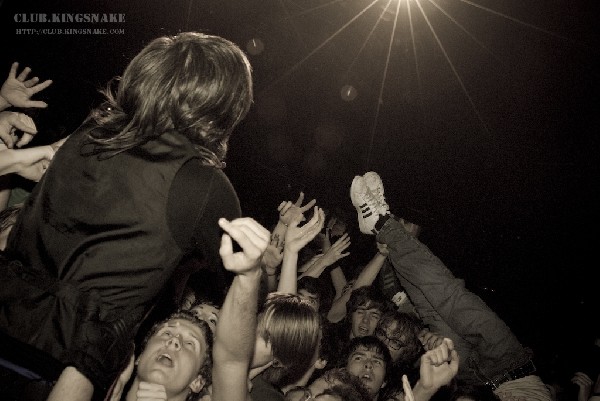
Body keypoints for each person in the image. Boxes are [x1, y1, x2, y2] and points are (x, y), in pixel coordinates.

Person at [0, 31, 254, 401]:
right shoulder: (204, 185)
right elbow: (238, 293)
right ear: (223, 105)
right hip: (63, 371)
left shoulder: (89, 134)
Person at [350, 171, 552, 401]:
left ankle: (382, 225)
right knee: (450, 296)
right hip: (511, 367)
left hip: (475, 381)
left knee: (432, 304)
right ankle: (382, 224)